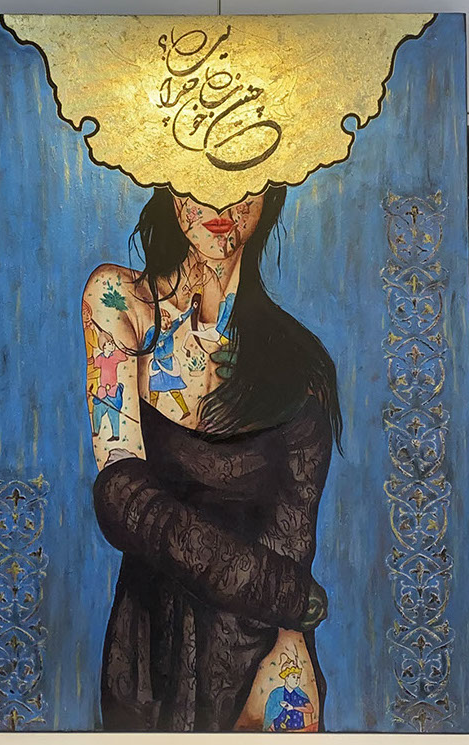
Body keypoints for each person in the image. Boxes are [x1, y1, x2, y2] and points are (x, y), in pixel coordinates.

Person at [81, 185, 342, 731]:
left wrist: (290, 643)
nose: (221, 205)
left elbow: (293, 533)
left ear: (270, 196)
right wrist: (288, 596)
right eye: (199, 179)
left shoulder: (298, 362)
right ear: (169, 185)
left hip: (256, 641)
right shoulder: (121, 302)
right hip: (149, 642)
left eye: (245, 182)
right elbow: (121, 494)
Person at [143, 306, 194, 419]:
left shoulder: (171, 329)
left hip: (169, 364)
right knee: (154, 391)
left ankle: (186, 411)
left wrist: (192, 308)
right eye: (163, 319)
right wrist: (156, 344)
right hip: (157, 365)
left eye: (167, 318)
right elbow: (145, 347)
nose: (166, 321)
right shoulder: (152, 332)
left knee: (174, 390)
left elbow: (182, 319)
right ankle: (152, 414)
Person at [264, 654, 315, 731]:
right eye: (293, 677)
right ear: (286, 678)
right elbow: (270, 716)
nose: (296, 680)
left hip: (297, 731)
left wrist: (293, 708)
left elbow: (310, 709)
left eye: (298, 677)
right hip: (279, 731)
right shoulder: (276, 694)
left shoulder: (300, 694)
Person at [91, 332, 127, 442]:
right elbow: (94, 366)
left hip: (113, 390)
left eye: (113, 343)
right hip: (103, 390)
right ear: (104, 346)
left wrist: (120, 348)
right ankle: (96, 430)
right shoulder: (100, 358)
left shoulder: (115, 356)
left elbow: (124, 355)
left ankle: (116, 434)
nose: (112, 345)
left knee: (114, 412)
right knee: (97, 409)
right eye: (110, 343)